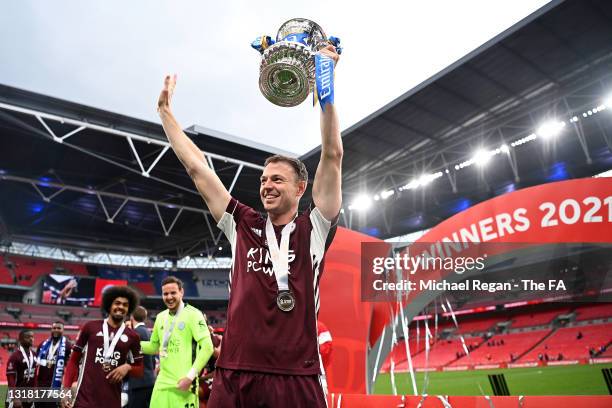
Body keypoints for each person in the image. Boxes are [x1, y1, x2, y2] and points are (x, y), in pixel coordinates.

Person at [156, 42, 342, 406]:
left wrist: (325, 80)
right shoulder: (240, 223)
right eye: (263, 180)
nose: (267, 186)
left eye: (277, 180)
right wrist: (165, 113)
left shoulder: (315, 227)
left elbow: (333, 153)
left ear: (301, 188)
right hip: (235, 372)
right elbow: (197, 168)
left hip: (296, 374)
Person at [61, 286, 143, 408]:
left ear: (129, 308)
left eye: (125, 305)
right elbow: (73, 360)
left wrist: (127, 367)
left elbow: (140, 370)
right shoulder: (90, 327)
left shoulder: (133, 336)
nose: (121, 307)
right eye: (117, 303)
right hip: (84, 400)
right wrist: (66, 389)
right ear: (109, 305)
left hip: (112, 402)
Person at [140, 276, 213, 408]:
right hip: (162, 384)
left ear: (181, 292)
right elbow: (153, 346)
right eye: (165, 294)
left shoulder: (194, 314)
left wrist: (190, 377)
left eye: (173, 292)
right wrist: (131, 345)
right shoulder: (161, 317)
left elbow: (208, 348)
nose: (169, 297)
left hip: (184, 385)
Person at [35, 321, 72, 408]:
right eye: (54, 328)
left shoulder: (67, 346)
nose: (56, 330)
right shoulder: (42, 345)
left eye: (59, 328)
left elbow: (70, 366)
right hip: (41, 385)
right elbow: (37, 361)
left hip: (55, 385)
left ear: (63, 330)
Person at [127, 306, 155, 408]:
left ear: (132, 317)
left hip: (138, 382)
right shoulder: (150, 333)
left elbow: (130, 358)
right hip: (150, 380)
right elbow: (152, 360)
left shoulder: (134, 334)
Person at [5, 330, 36, 408]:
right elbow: (11, 378)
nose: (31, 339)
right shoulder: (14, 356)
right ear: (20, 339)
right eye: (28, 337)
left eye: (32, 337)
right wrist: (15, 397)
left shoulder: (34, 355)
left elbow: (35, 375)